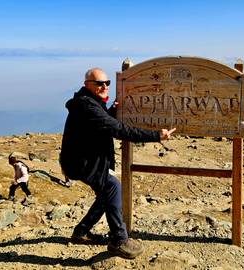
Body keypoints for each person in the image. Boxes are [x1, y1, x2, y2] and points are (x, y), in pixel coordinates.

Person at [60, 67, 176, 259]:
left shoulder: (89, 102)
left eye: (107, 83)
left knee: (106, 193)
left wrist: (111, 110)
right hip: (83, 163)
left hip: (83, 160)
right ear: (86, 85)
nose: (104, 86)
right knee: (112, 187)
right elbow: (118, 130)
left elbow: (101, 123)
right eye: (99, 83)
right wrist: (157, 135)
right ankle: (119, 240)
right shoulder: (88, 106)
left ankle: (81, 231)